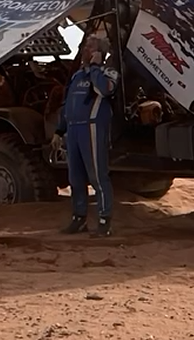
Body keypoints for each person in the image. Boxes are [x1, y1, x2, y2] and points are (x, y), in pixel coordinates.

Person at [52, 36, 118, 237]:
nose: (84, 49)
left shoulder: (107, 73)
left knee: (98, 176)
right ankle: (79, 218)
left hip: (92, 128)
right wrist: (59, 131)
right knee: (76, 178)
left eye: (90, 47)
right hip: (73, 130)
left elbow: (104, 90)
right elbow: (68, 106)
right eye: (84, 46)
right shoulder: (77, 76)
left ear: (99, 52)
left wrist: (95, 67)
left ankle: (104, 221)